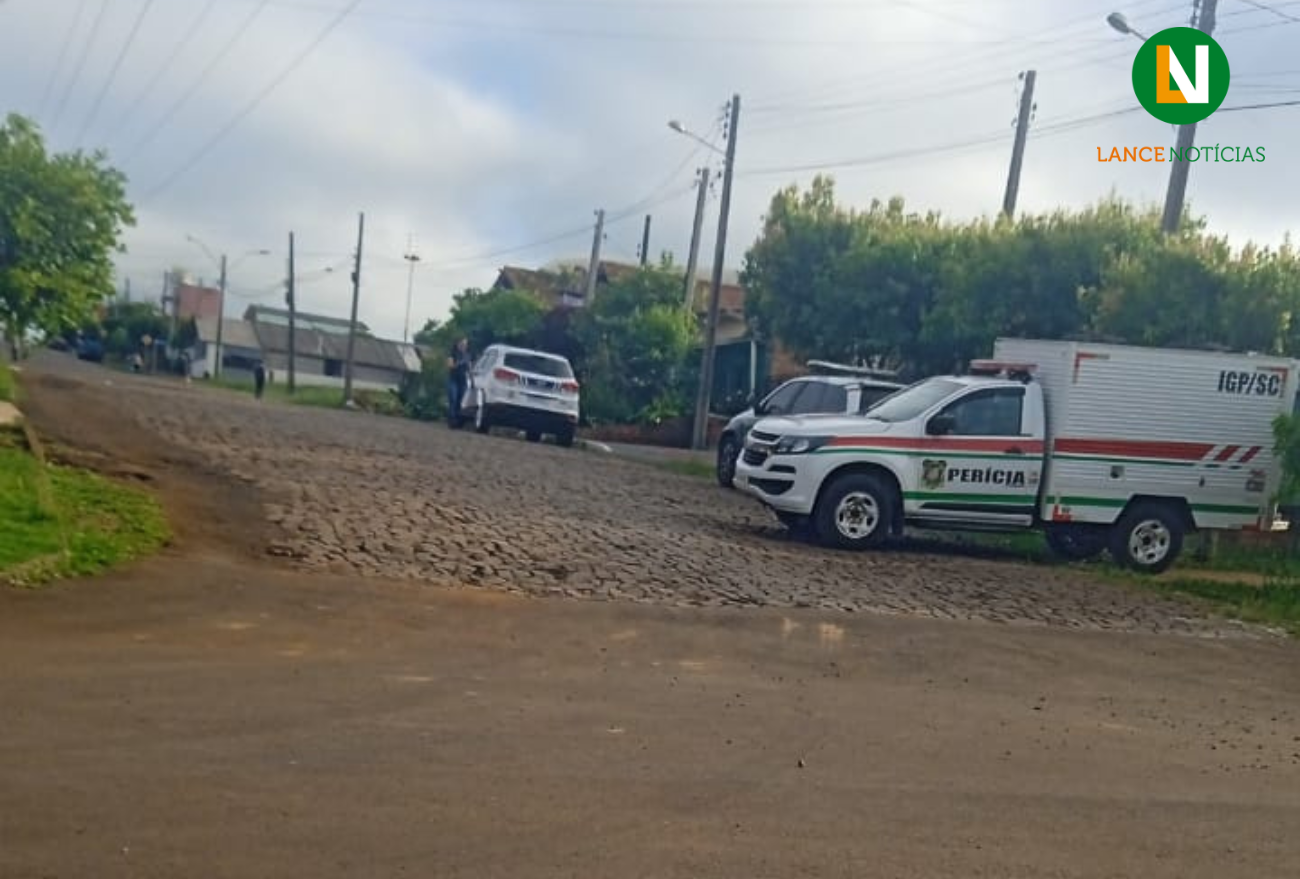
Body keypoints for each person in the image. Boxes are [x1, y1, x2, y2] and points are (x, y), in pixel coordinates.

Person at [447, 337, 471, 427]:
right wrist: (460, 363)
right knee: (453, 398)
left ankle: (457, 420)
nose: (464, 346)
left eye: (465, 344)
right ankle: (451, 419)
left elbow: (470, 368)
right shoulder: (452, 354)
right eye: (462, 344)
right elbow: (450, 366)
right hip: (453, 380)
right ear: (458, 344)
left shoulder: (468, 355)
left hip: (463, 381)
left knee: (460, 401)